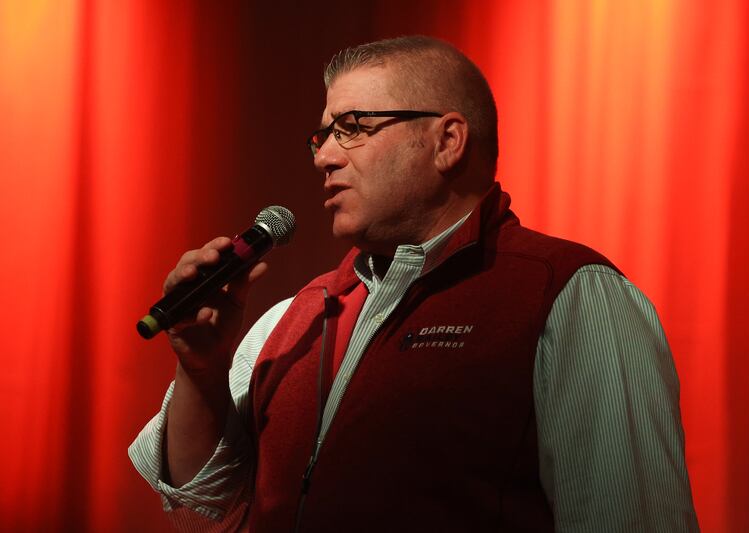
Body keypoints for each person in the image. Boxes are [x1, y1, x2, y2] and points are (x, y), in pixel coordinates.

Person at [130, 36, 699, 532]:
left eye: (351, 127)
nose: (324, 157)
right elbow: (204, 506)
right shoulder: (292, 320)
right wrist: (200, 370)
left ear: (447, 141)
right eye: (322, 135)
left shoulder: (567, 296)